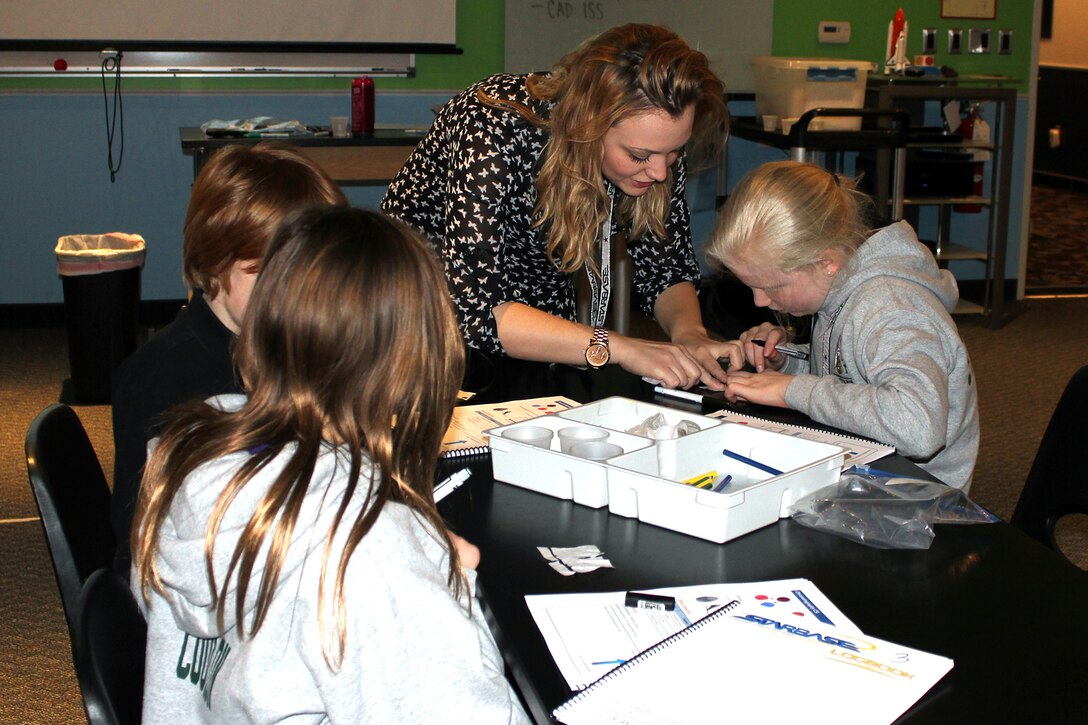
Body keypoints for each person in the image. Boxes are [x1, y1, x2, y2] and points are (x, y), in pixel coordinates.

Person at [131, 207, 530, 723]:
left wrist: (421, 553)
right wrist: (432, 576)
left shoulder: (192, 449)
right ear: (417, 367)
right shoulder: (368, 556)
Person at [382, 23, 735, 390]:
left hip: (534, 326)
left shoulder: (655, 144)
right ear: (589, 125)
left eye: (675, 152)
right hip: (420, 319)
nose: (661, 172)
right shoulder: (492, 125)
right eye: (638, 155)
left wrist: (690, 334)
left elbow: (664, 267)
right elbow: (477, 311)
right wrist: (617, 347)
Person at [111, 144, 347, 571]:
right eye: (271, 273)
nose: (297, 294)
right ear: (217, 259)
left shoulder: (278, 344)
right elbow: (159, 545)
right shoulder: (164, 379)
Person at [705, 161, 980, 490]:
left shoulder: (892, 307)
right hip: (866, 467)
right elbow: (853, 368)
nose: (759, 302)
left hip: (913, 502)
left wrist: (793, 391)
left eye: (771, 287)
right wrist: (789, 361)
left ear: (826, 263)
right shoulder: (844, 286)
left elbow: (917, 429)